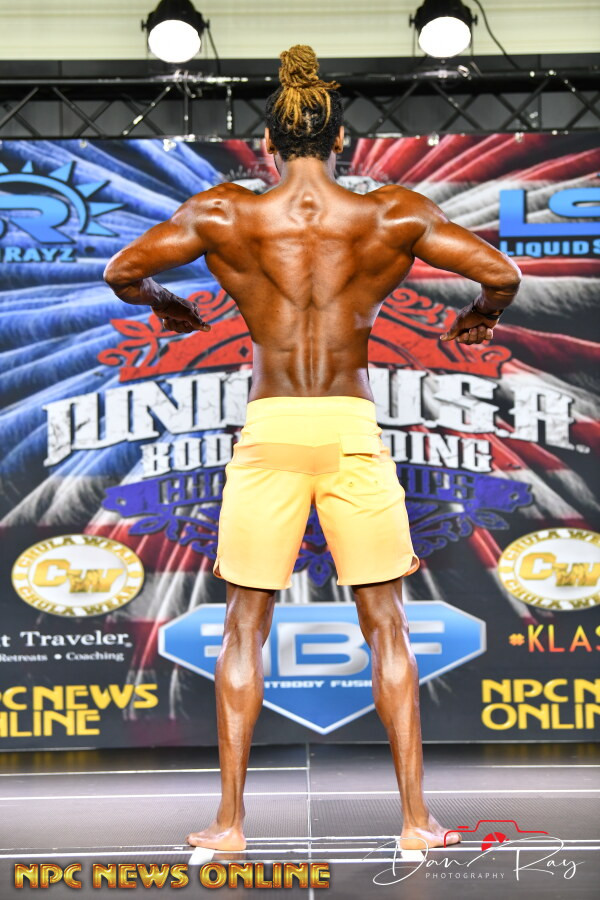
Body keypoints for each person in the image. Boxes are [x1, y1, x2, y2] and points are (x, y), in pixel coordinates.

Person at [103, 44, 521, 853]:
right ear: (342, 141)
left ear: (267, 141)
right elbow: (499, 274)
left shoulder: (224, 214)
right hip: (349, 429)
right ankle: (416, 823)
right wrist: (481, 319)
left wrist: (166, 306)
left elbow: (124, 270)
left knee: (242, 628)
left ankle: (229, 825)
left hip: (270, 432)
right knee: (386, 626)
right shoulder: (390, 215)